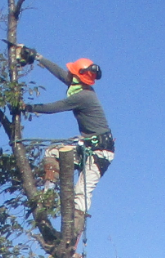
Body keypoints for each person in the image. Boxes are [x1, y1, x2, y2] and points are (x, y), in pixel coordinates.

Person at [19, 46, 115, 236]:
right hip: (89, 145)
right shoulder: (79, 86)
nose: (69, 75)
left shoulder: (84, 96)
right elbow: (61, 73)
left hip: (101, 152)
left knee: (82, 191)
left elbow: (55, 107)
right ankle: (47, 195)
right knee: (52, 153)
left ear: (80, 76)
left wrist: (26, 107)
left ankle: (73, 233)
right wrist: (39, 57)